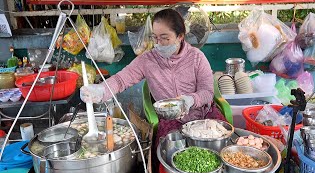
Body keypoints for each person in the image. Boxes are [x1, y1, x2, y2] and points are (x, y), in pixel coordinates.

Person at [80, 8, 225, 145]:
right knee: (168, 154)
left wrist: (190, 100)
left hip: (204, 116)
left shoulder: (196, 58)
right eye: (155, 37)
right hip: (171, 120)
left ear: (180, 36)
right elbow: (121, 79)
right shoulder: (148, 60)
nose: (158, 44)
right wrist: (101, 90)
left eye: (164, 38)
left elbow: (207, 92)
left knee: (223, 144)